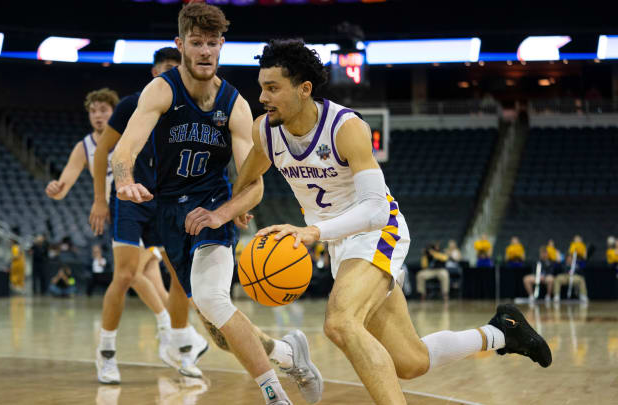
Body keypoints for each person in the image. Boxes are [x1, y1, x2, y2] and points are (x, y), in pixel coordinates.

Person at [193, 38, 552, 403]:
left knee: (340, 323)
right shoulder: (265, 131)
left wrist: (313, 231)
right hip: (341, 245)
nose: (263, 97)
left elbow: (376, 210)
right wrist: (235, 207)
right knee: (411, 362)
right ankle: (503, 332)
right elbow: (251, 175)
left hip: (378, 230)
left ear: (304, 90)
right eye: (261, 88)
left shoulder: (345, 128)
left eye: (272, 88)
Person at [112, 6, 322, 404]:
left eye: (212, 43)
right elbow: (125, 147)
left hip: (211, 209)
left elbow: (254, 183)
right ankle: (287, 354)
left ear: (221, 45)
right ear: (181, 45)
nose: (205, 51)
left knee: (212, 301)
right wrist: (124, 179)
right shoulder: (162, 90)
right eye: (196, 43)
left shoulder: (236, 105)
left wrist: (224, 211)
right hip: (170, 214)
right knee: (219, 330)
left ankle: (275, 394)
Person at [88, 50, 208, 383]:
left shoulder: (188, 109)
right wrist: (100, 200)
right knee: (125, 274)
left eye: (176, 68)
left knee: (180, 274)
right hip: (129, 196)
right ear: (155, 71)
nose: (171, 73)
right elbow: (101, 153)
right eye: (166, 68)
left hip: (167, 199)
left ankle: (180, 347)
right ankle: (106, 353)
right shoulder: (131, 104)